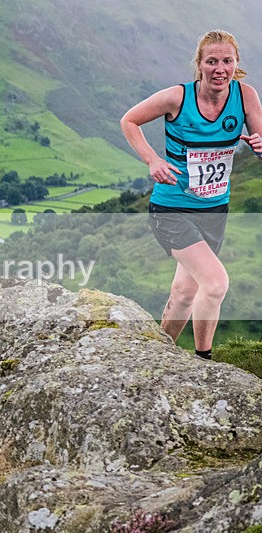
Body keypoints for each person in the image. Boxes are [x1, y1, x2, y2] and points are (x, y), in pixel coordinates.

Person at [120, 29, 262, 359]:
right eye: (211, 61)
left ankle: (159, 354)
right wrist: (152, 159)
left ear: (236, 63)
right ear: (199, 64)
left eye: (227, 61)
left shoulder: (246, 97)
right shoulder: (177, 97)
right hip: (171, 209)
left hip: (214, 210)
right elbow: (130, 121)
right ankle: (204, 361)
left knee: (185, 292)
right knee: (215, 283)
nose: (219, 68)